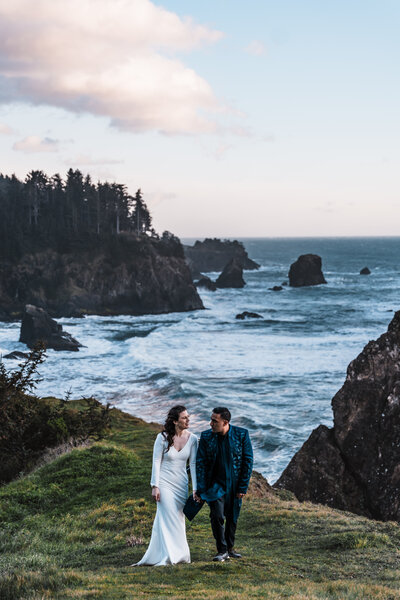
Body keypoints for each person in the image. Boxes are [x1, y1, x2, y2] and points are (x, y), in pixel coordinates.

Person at [134, 405, 198, 566]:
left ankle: (179, 554)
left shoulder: (193, 439)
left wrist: (196, 488)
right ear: (175, 421)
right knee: (167, 516)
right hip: (164, 483)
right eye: (184, 417)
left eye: (188, 417)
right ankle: (170, 555)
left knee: (178, 518)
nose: (188, 419)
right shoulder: (162, 437)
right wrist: (155, 485)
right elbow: (156, 461)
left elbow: (195, 465)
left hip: (181, 484)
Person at [194, 407, 253, 562]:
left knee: (233, 517)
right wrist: (201, 489)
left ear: (225, 422)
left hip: (234, 485)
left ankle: (230, 549)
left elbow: (248, 461)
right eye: (211, 419)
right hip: (215, 485)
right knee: (217, 516)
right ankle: (221, 550)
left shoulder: (242, 434)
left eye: (215, 421)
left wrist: (242, 487)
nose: (211, 423)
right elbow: (200, 463)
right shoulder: (206, 436)